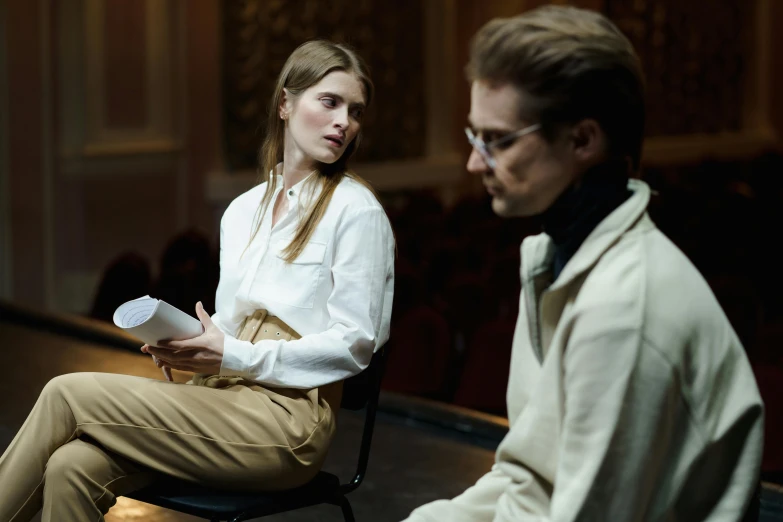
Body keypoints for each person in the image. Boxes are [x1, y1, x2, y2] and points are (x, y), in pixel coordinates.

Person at [0, 40, 395, 521]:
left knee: (65, 393)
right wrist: (189, 345)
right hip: (218, 397)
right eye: (330, 102)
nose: (344, 122)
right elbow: (228, 332)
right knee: (71, 465)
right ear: (285, 104)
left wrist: (233, 353)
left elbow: (356, 345)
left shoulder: (356, 210)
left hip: (288, 423)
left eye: (355, 111)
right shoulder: (242, 210)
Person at [403, 6, 762, 521]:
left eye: (498, 140)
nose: (474, 162)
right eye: (473, 136)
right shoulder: (550, 259)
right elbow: (525, 479)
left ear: (583, 140)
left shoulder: (623, 309)